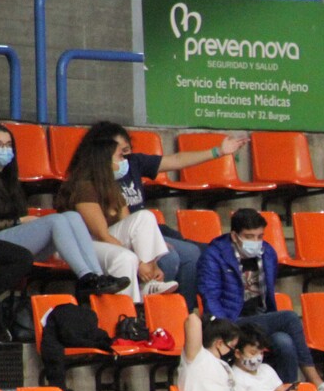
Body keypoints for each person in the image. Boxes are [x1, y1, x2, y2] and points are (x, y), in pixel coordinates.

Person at [84, 121, 248, 307]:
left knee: (200, 251)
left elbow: (176, 160)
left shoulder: (132, 163)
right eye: (122, 153)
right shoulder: (89, 182)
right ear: (103, 152)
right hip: (119, 239)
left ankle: (185, 311)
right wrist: (153, 249)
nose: (125, 158)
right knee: (171, 256)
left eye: (127, 151)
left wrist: (218, 151)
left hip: (148, 232)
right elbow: (105, 232)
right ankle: (152, 307)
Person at [0, 122, 132, 299]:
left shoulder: (11, 181)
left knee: (72, 216)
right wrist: (19, 221)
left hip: (18, 241)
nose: (4, 150)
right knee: (56, 221)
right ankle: (85, 277)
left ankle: (97, 276)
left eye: (8, 145)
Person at [197, 207, 324, 391]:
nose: (256, 242)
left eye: (259, 236)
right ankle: (317, 384)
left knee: (284, 342)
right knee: (289, 318)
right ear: (234, 236)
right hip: (231, 321)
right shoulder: (214, 256)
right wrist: (225, 329)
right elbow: (210, 297)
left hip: (258, 318)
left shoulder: (268, 253)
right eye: (249, 236)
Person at [54, 135, 176, 301]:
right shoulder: (84, 187)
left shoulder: (112, 186)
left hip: (102, 242)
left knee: (145, 217)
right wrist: (140, 264)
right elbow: (102, 235)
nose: (124, 161)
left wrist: (152, 266)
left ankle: (148, 284)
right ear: (104, 161)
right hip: (78, 245)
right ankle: (128, 309)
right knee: (126, 258)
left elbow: (129, 224)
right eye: (120, 156)